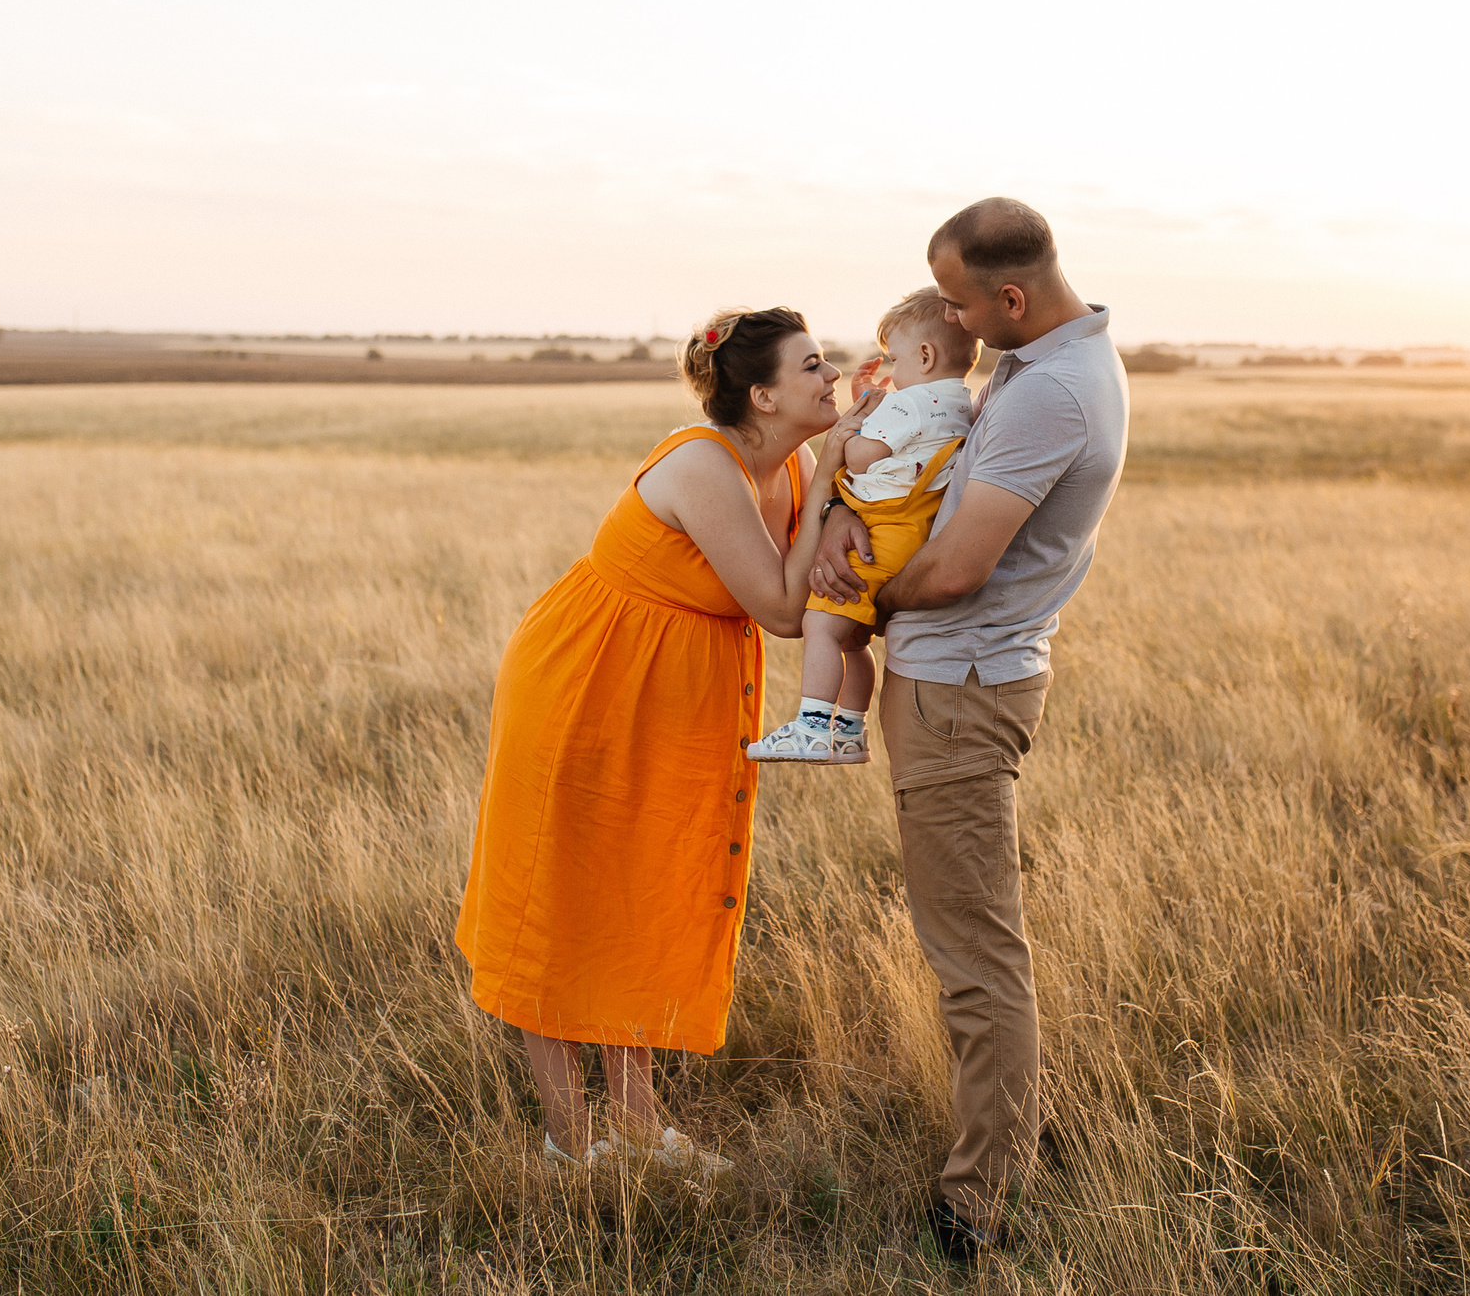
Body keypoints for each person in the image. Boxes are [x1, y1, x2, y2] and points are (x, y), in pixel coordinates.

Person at [455, 305, 875, 1170]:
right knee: (565, 897)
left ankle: (640, 1127)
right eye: (813, 366)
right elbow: (783, 605)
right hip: (587, 685)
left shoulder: (791, 462)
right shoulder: (701, 463)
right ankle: (569, 1144)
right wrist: (833, 468)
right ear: (761, 394)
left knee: (642, 888)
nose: (831, 375)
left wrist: (838, 481)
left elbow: (806, 578)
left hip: (672, 696)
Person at [810, 199, 1129, 1261]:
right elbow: (936, 500)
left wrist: (855, 605)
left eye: (956, 299)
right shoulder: (1037, 370)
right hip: (958, 681)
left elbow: (955, 567)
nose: (945, 314)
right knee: (972, 941)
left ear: (1008, 296)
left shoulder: (1052, 394)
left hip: (960, 690)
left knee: (975, 954)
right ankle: (1001, 1145)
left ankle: (978, 1203)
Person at [745, 287, 978, 766]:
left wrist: (850, 436)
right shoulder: (962, 403)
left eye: (896, 359)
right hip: (912, 536)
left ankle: (813, 726)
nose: (892, 374)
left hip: (879, 530)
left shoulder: (908, 403)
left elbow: (865, 455)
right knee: (853, 637)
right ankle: (849, 730)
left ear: (926, 355)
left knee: (822, 624)